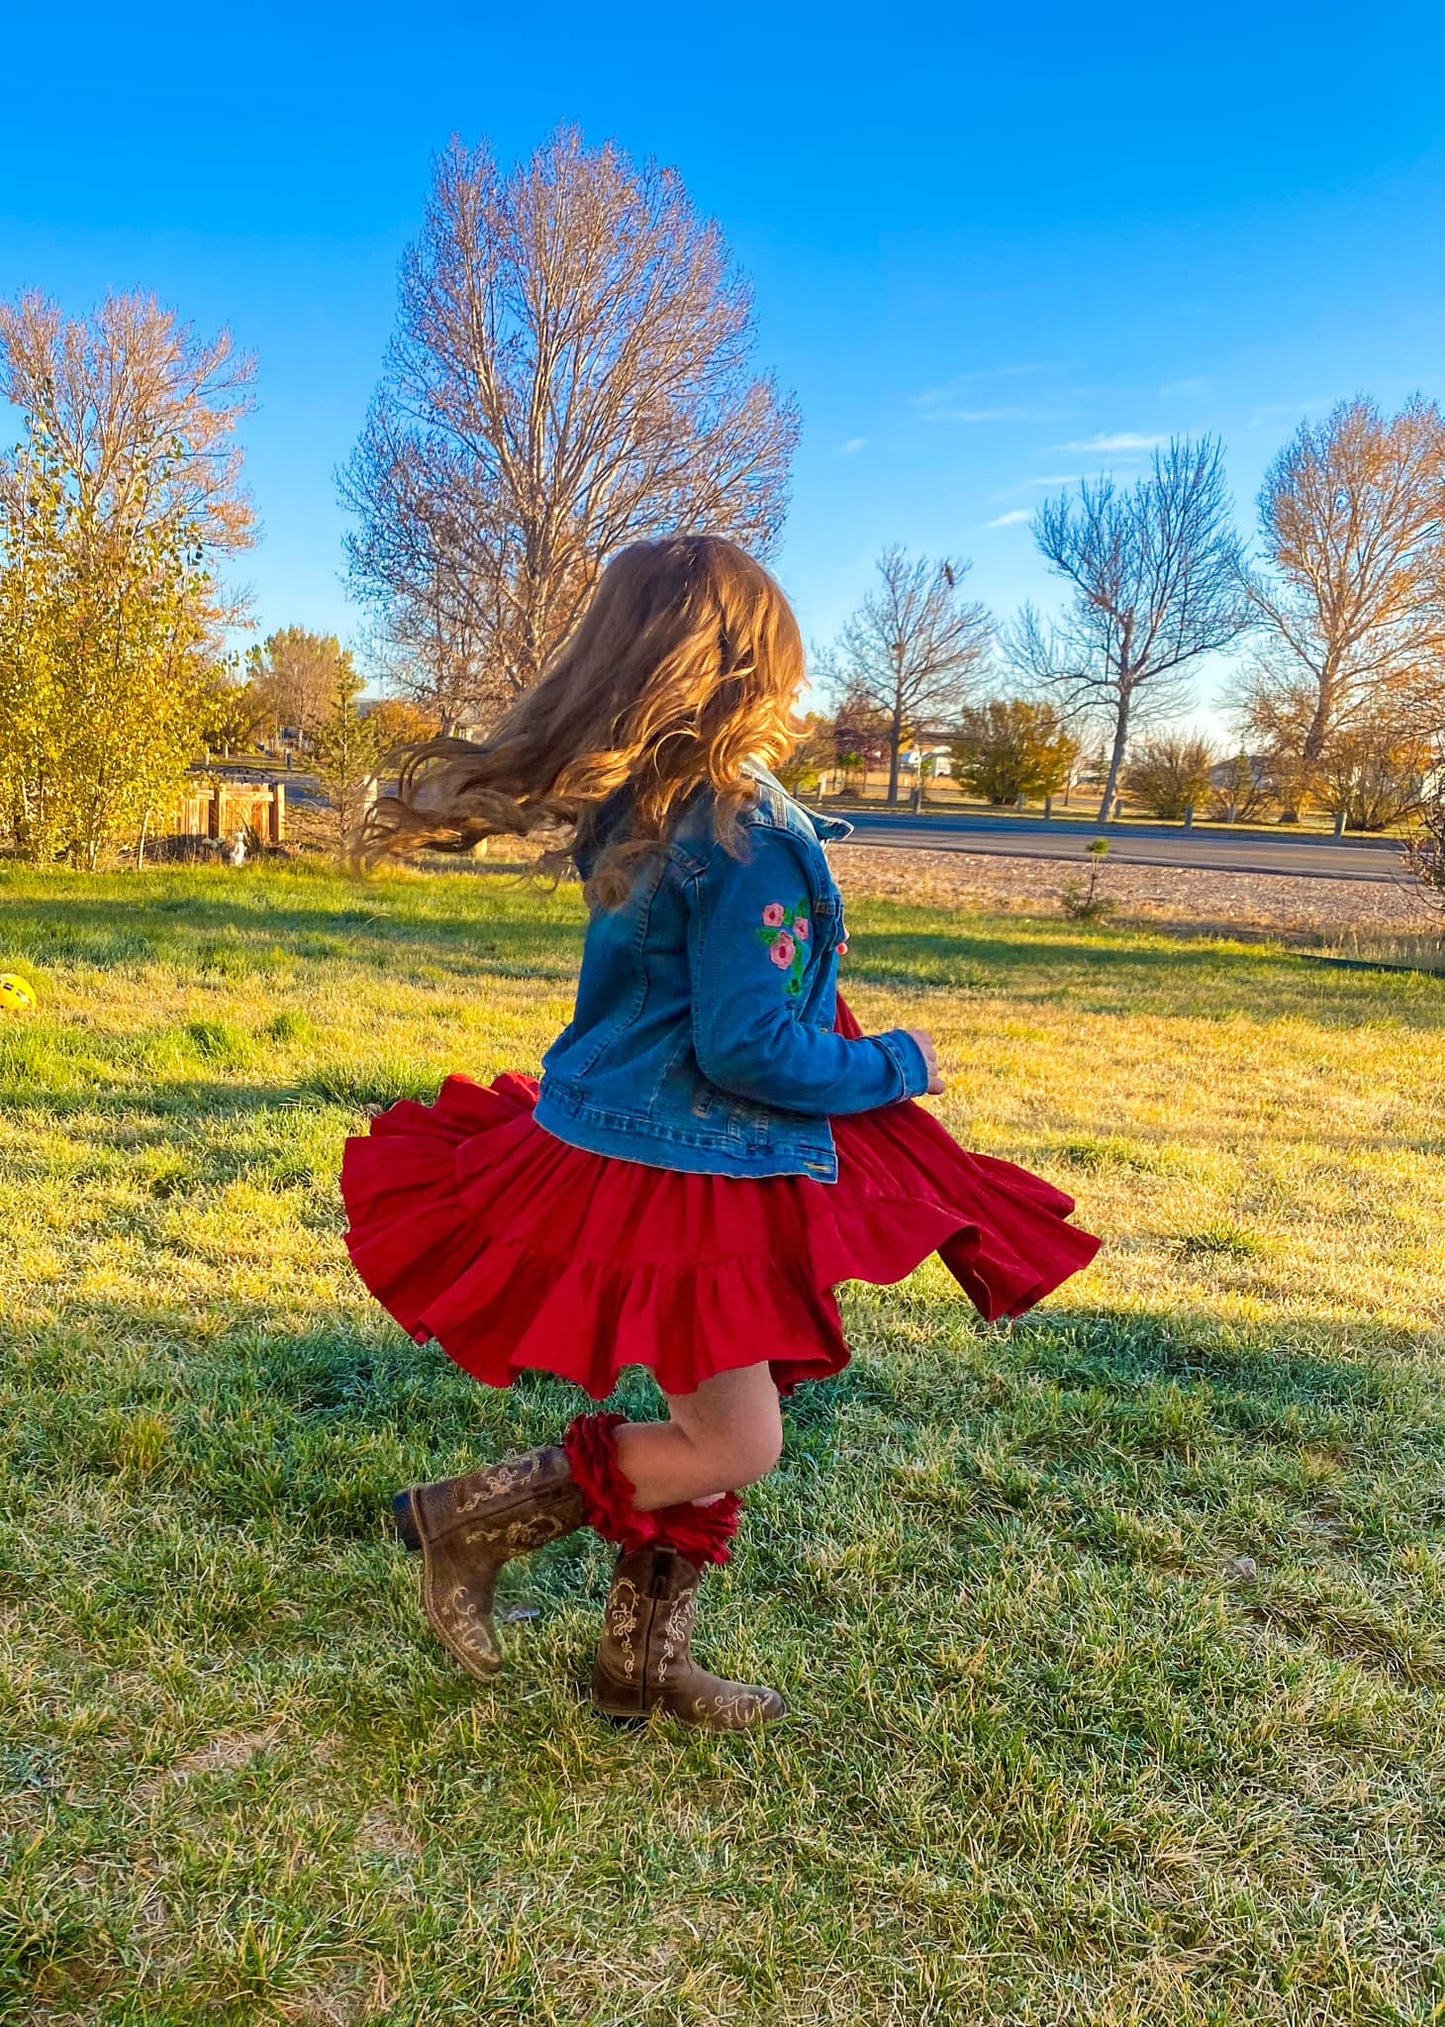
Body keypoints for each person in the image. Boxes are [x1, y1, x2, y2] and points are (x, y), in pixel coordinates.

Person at [340, 535, 1099, 1731]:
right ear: (748, 670)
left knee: (715, 1418)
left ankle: (640, 1667)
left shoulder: (646, 805)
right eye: (790, 664)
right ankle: (464, 1521)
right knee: (735, 1439)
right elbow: (750, 1045)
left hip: (642, 1145)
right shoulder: (741, 831)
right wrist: (898, 1061)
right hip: (688, 1169)